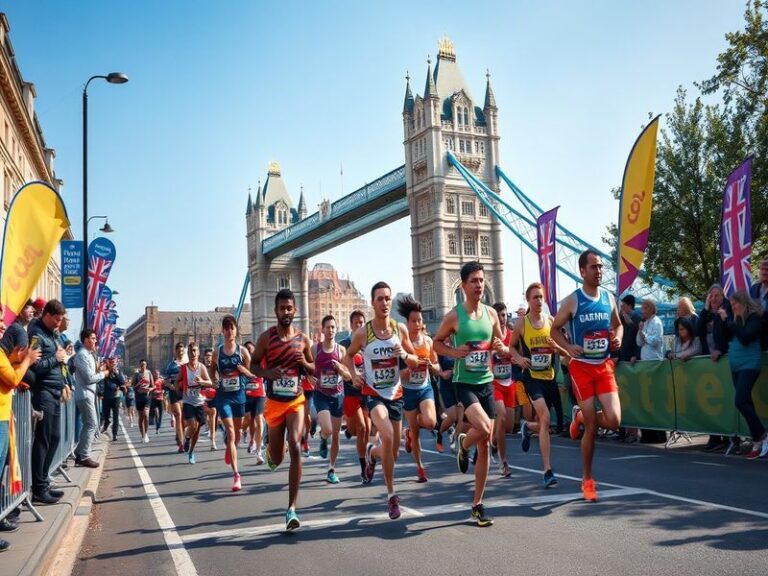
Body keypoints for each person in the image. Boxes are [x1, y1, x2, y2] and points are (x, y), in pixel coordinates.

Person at [433, 262, 506, 527]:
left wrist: (505, 349)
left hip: (486, 382)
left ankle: (477, 504)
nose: (479, 285)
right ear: (463, 285)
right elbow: (436, 343)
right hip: (464, 382)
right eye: (474, 281)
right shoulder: (454, 316)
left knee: (486, 444)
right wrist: (455, 353)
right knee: (485, 429)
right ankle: (463, 444)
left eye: (481, 280)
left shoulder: (491, 314)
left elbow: (497, 342)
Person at [345, 281, 422, 521]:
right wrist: (355, 375)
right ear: (373, 303)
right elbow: (348, 356)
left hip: (396, 395)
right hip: (373, 395)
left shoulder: (400, 329)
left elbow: (415, 361)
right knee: (387, 435)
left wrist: (404, 354)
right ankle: (391, 496)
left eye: (388, 298)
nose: (385, 302)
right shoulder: (363, 333)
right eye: (380, 298)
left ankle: (372, 454)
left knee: (393, 453)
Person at [551, 250, 622, 502]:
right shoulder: (573, 300)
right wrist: (568, 348)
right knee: (592, 426)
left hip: (603, 366)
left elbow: (618, 325)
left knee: (614, 420)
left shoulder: (609, 298)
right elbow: (554, 330)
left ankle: (579, 415)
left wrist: (617, 339)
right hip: (581, 367)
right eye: (594, 267)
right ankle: (587, 479)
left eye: (601, 266)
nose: (599, 270)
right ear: (582, 271)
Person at [250, 289, 315, 530]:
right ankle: (272, 448)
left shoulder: (303, 339)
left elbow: (314, 369)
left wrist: (304, 363)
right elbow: (253, 365)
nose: (286, 312)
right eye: (281, 308)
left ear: (294, 311)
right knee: (276, 459)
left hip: (296, 402)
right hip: (275, 404)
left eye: (289, 308)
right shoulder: (266, 339)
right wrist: (268, 373)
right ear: (275, 311)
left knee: (296, 446)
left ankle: (291, 509)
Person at [507, 282, 566, 487]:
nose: (539, 301)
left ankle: (526, 427)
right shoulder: (522, 324)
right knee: (546, 417)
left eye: (541, 297)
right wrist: (519, 358)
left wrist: (556, 346)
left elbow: (563, 350)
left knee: (546, 424)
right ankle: (547, 470)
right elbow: (511, 347)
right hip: (532, 378)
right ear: (528, 300)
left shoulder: (551, 321)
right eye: (535, 297)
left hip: (549, 377)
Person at [0, 309, 41, 544]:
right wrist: (26, 360)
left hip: (4, 416)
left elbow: (13, 378)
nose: (2, 326)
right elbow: (12, 379)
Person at [28, 299, 70, 504]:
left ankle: (43, 482)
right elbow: (34, 366)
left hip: (54, 390)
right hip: (43, 392)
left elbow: (58, 361)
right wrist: (56, 358)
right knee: (43, 440)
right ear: (46, 314)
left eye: (60, 320)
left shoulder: (51, 334)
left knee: (55, 437)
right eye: (56, 319)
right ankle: (38, 488)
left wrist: (63, 382)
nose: (58, 323)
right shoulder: (36, 334)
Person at [210, 315, 256, 492]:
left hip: (239, 396)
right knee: (230, 431)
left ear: (236, 331)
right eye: (226, 328)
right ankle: (236, 475)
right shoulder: (217, 352)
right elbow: (212, 371)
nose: (229, 331)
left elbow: (251, 373)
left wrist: (244, 370)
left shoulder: (243, 352)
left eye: (232, 328)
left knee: (236, 435)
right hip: (224, 397)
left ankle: (230, 448)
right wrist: (215, 380)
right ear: (223, 331)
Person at [397, 296, 438, 484]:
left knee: (430, 423)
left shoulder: (428, 342)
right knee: (415, 431)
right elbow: (399, 375)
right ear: (407, 322)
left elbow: (437, 367)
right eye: (413, 321)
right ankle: (420, 467)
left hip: (424, 387)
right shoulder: (401, 345)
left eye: (419, 320)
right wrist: (411, 367)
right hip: (408, 390)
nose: (417, 324)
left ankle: (417, 427)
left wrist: (430, 365)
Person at [725, 292, 767, 459]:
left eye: (735, 303)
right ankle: (757, 440)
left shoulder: (754, 318)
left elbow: (745, 338)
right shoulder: (735, 320)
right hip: (736, 366)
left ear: (744, 303)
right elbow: (723, 339)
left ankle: (763, 434)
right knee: (747, 402)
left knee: (740, 401)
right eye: (731, 304)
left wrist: (731, 324)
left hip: (750, 365)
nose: (733, 306)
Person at [313, 315, 352, 484]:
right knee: (328, 430)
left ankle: (331, 469)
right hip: (321, 394)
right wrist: (309, 377)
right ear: (322, 330)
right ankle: (322, 437)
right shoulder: (315, 349)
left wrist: (340, 369)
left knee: (335, 436)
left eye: (333, 327)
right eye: (327, 327)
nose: (330, 330)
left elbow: (349, 375)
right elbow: (307, 366)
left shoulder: (341, 350)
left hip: (337, 395)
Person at [696, 284, 732, 451]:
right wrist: (705, 309)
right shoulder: (706, 313)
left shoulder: (727, 311)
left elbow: (729, 334)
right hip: (708, 359)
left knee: (727, 398)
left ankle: (731, 437)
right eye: (711, 296)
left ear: (723, 297)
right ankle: (715, 436)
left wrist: (720, 350)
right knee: (711, 399)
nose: (714, 299)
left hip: (723, 359)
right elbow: (698, 331)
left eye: (717, 295)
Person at [339, 310, 371, 482]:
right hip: (351, 393)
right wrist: (346, 372)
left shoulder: (370, 344)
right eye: (356, 323)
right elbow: (338, 364)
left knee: (368, 429)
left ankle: (350, 432)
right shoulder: (344, 345)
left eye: (362, 323)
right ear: (351, 325)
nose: (359, 325)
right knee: (362, 428)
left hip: (367, 393)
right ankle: (363, 467)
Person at [72, 328, 107, 468]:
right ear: (86, 339)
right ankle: (83, 456)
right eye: (93, 338)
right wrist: (103, 374)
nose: (95, 341)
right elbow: (89, 378)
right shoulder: (82, 355)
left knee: (89, 424)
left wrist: (99, 370)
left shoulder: (89, 355)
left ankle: (80, 453)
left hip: (89, 394)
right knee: (91, 424)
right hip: (85, 394)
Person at [177, 342, 213, 464]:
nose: (193, 353)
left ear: (198, 353)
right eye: (191, 351)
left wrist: (202, 381)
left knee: (197, 429)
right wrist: (179, 388)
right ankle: (186, 438)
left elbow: (210, 382)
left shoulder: (201, 367)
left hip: (199, 401)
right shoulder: (183, 368)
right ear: (188, 353)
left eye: (195, 351)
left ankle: (191, 451)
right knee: (193, 425)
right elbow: (177, 382)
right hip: (188, 401)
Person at [490, 302, 514, 477]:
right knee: (501, 415)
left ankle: (493, 443)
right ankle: (503, 461)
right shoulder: (489, 338)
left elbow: (516, 354)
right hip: (494, 383)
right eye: (499, 316)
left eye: (505, 315)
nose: (503, 319)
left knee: (508, 427)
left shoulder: (512, 336)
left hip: (510, 383)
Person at [242, 341, 266, 463]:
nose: (250, 352)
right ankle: (245, 432)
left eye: (251, 350)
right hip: (246, 396)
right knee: (247, 420)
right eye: (247, 350)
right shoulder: (241, 363)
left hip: (259, 394)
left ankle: (259, 451)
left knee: (259, 420)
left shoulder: (261, 361)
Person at [164, 342, 187, 453]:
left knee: (185, 419)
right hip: (174, 392)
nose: (180, 352)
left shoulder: (188, 364)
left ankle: (180, 435)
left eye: (182, 351)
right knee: (178, 415)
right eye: (178, 350)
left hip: (186, 393)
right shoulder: (171, 365)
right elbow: (165, 381)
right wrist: (171, 385)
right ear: (176, 351)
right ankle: (181, 444)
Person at [100, 358, 126, 441]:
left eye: (114, 364)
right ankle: (106, 423)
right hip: (106, 397)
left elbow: (122, 382)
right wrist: (101, 393)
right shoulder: (105, 372)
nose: (112, 365)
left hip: (115, 397)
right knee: (105, 415)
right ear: (108, 364)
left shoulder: (118, 372)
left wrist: (116, 374)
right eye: (111, 363)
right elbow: (100, 382)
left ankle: (115, 434)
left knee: (115, 416)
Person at [131, 360, 154, 443]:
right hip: (139, 397)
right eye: (141, 365)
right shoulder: (136, 374)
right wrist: (138, 384)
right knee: (141, 417)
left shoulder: (149, 373)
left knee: (146, 415)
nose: (143, 366)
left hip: (147, 397)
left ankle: (146, 433)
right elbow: (132, 387)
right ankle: (142, 435)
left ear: (146, 365)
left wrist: (149, 389)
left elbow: (153, 386)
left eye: (144, 365)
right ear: (139, 365)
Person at [201, 348, 218, 450]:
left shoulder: (216, 367)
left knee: (213, 414)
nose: (208, 357)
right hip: (202, 394)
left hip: (213, 394)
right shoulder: (201, 367)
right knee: (202, 418)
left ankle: (213, 441)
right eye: (206, 355)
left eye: (210, 355)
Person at [749, 258, 768, 349]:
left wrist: (763, 313)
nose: (764, 272)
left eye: (767, 269)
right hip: (755, 338)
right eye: (762, 269)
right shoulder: (753, 289)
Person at [618, 295, 641, 363]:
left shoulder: (638, 318)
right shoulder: (621, 319)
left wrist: (635, 355)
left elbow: (639, 338)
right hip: (622, 355)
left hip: (632, 357)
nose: (621, 308)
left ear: (630, 306)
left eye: (623, 306)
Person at [150, 370, 165, 435]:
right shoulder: (151, 381)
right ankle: (157, 427)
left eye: (157, 374)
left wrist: (163, 391)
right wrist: (152, 391)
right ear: (153, 375)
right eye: (155, 374)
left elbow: (164, 388)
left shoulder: (161, 380)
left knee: (161, 413)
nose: (156, 375)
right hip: (154, 399)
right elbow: (149, 388)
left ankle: (158, 426)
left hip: (160, 399)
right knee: (156, 413)